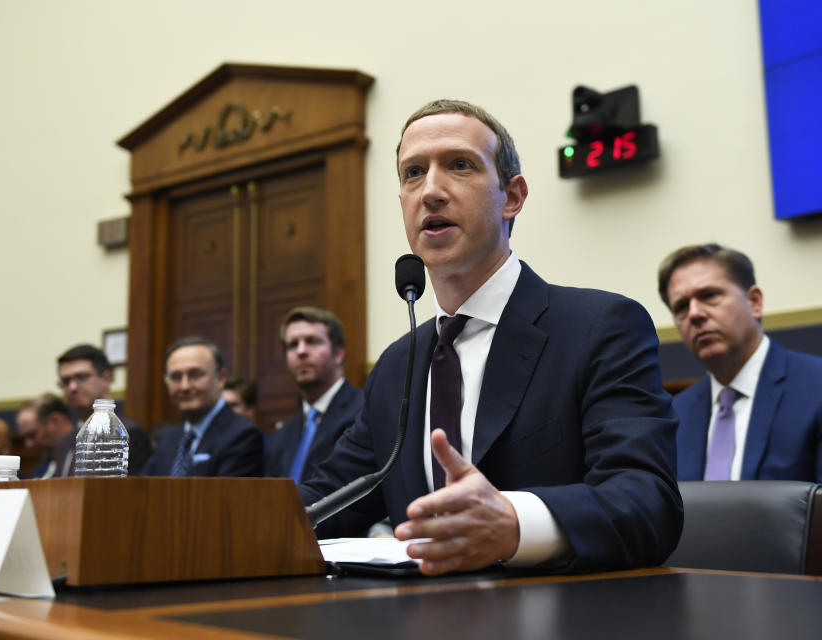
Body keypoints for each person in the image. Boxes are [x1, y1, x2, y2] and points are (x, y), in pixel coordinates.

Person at [299, 99, 682, 575]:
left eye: (459, 165)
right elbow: (321, 506)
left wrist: (515, 522)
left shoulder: (600, 327)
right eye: (413, 173)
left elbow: (647, 503)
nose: (431, 190)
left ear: (513, 196)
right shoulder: (397, 365)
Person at [658, 243, 822, 481]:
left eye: (710, 296)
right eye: (681, 307)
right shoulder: (675, 415)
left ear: (754, 301)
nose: (694, 314)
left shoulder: (816, 387)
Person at [143, 337, 264, 477]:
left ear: (221, 378)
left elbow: (226, 497)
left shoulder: (242, 435)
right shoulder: (168, 439)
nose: (185, 386)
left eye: (195, 374)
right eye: (176, 377)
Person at [268, 306, 363, 484]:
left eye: (312, 341)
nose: (301, 351)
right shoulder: (283, 434)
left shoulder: (363, 411)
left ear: (338, 354)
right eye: (292, 345)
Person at [56, 344, 152, 475]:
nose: (72, 387)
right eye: (66, 381)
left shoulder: (129, 432)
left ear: (107, 378)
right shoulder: (66, 441)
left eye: (81, 377)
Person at [17, 394, 77, 479]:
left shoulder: (82, 457)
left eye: (32, 435)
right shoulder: (41, 469)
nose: (28, 444)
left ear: (55, 421)